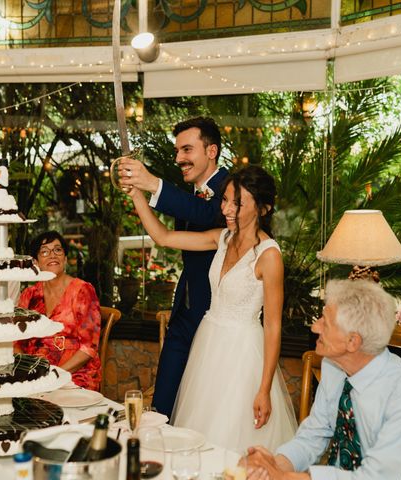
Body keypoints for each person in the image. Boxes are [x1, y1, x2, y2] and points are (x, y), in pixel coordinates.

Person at [126, 165, 296, 452]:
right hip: (208, 343)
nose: (227, 208)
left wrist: (264, 389)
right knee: (197, 431)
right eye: (225, 199)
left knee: (230, 437)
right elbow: (164, 237)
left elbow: (273, 326)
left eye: (237, 203)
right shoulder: (222, 238)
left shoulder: (269, 256)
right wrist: (137, 196)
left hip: (242, 355)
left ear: (263, 209)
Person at [245, 279, 401, 480]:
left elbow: (377, 476)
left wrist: (285, 478)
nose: (315, 327)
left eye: (325, 322)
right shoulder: (333, 365)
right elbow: (314, 434)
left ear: (352, 342)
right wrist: (274, 464)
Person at [118, 116, 229, 417]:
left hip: (216, 319)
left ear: (211, 151)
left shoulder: (231, 191)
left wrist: (152, 182)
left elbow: (207, 216)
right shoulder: (191, 194)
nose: (179, 158)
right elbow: (165, 238)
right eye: (178, 151)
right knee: (162, 406)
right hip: (184, 312)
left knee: (202, 412)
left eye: (187, 149)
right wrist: (137, 195)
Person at [14, 230, 102, 390]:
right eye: (45, 251)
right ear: (35, 262)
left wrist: (54, 375)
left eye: (58, 250)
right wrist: (29, 372)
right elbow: (17, 342)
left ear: (65, 258)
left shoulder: (82, 290)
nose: (52, 255)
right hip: (36, 377)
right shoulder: (29, 295)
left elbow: (89, 348)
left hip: (75, 376)